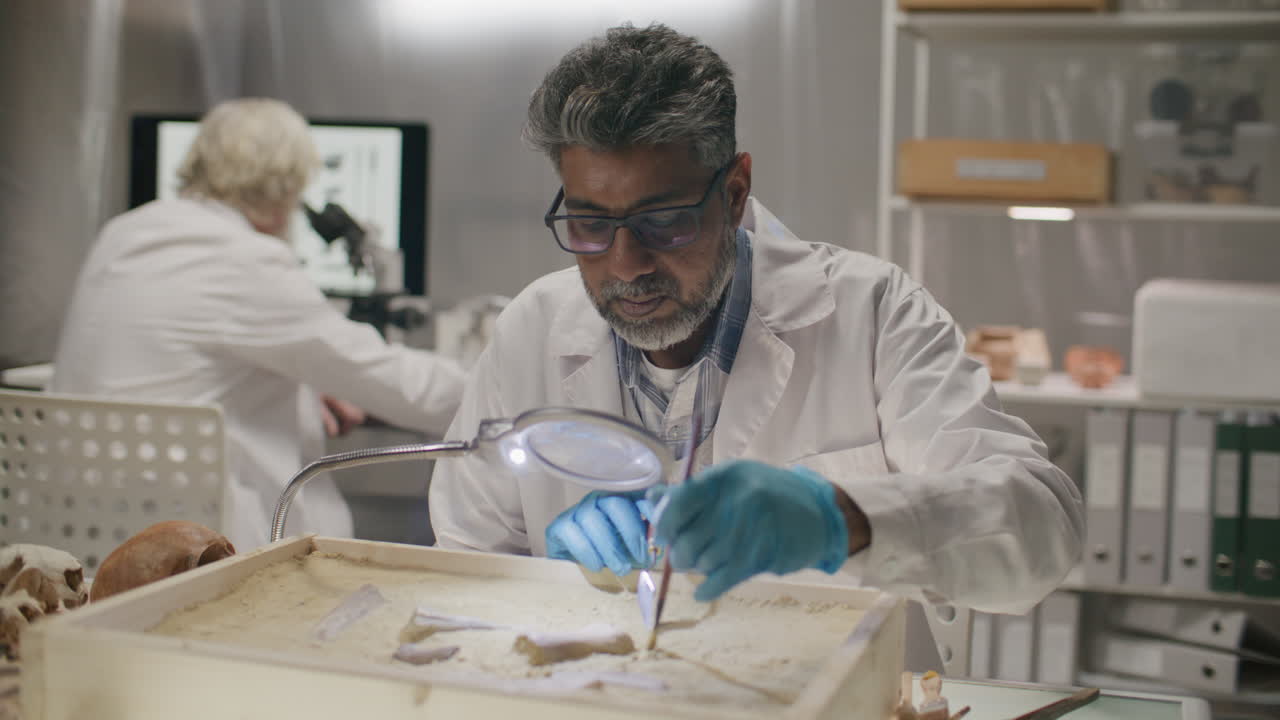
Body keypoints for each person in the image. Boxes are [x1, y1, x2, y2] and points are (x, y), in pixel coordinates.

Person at [429, 24, 1083, 614]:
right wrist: (549, 582)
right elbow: (464, 573)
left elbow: (1042, 530)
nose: (626, 264)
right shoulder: (531, 330)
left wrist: (841, 519)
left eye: (664, 221)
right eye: (590, 223)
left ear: (735, 192)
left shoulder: (873, 314)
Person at [52, 98, 466, 550]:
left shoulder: (123, 232)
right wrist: (495, 390)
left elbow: (182, 364)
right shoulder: (246, 261)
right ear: (284, 190)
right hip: (202, 551)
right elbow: (391, 380)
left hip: (86, 532)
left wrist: (304, 383)